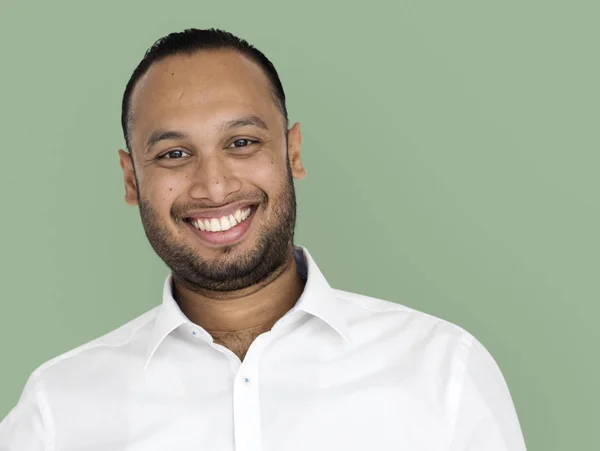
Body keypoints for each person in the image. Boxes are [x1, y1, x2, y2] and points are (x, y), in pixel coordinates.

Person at [0, 28, 527, 450]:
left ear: (292, 152)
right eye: (174, 154)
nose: (214, 185)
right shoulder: (57, 411)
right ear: (131, 178)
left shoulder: (442, 372)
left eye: (242, 142)